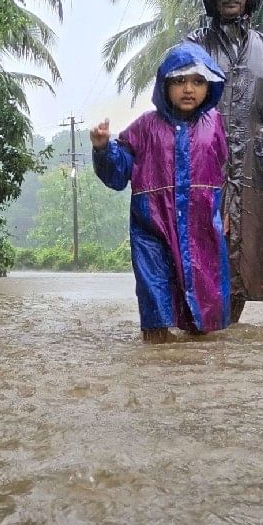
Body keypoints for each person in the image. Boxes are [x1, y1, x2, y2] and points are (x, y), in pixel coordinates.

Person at [91, 42, 231, 342]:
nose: (188, 89)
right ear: (165, 85)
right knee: (156, 302)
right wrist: (103, 149)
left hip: (201, 227)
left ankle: (197, 374)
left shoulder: (215, 124)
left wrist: (228, 209)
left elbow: (227, 170)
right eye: (179, 81)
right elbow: (118, 174)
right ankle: (157, 363)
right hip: (151, 228)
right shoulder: (144, 127)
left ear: (210, 87)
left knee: (202, 308)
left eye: (197, 81)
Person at [186, 0, 263, 325]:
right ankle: (201, 333)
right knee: (204, 249)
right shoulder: (195, 44)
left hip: (254, 167)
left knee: (246, 260)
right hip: (205, 161)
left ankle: (229, 334)